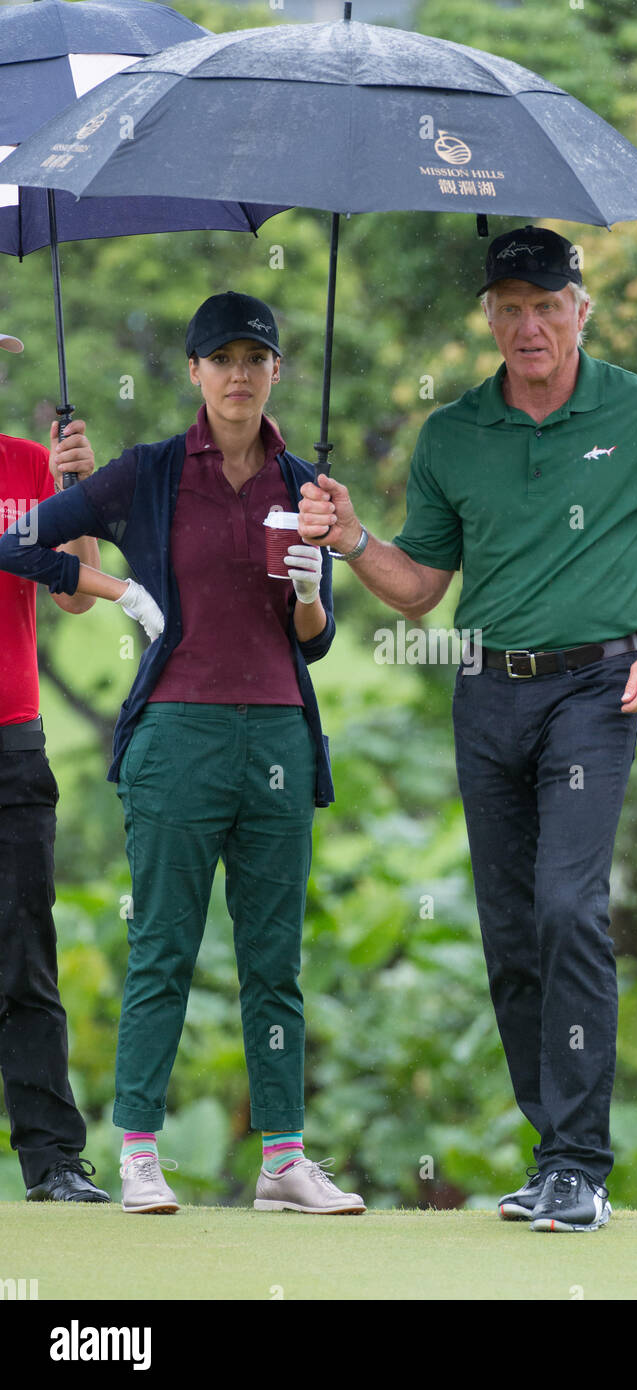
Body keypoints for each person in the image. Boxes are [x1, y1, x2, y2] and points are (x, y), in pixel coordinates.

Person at [297, 227, 637, 1233]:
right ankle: (553, 1157)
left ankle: (582, 1163)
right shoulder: (453, 433)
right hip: (485, 691)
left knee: (565, 908)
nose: (530, 323)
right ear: (489, 319)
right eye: (511, 306)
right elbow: (418, 590)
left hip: (598, 688)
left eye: (549, 304)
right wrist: (353, 536)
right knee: (507, 931)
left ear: (582, 309)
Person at [0, 292, 365, 1217]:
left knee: (274, 956)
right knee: (164, 943)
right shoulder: (150, 474)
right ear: (194, 372)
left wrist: (317, 591)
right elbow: (19, 540)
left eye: (256, 357)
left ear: (277, 371)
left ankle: (284, 1157)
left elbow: (312, 640)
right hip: (175, 733)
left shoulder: (305, 486)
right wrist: (119, 585)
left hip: (281, 729)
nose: (239, 374)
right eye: (221, 358)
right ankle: (138, 1152)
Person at [0, 327, 110, 1203]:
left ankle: (54, 1163)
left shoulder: (26, 468)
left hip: (13, 742)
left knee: (26, 959)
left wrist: (80, 491)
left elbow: (77, 592)